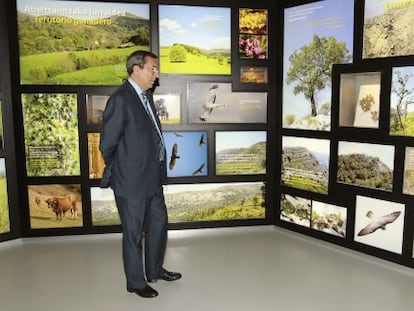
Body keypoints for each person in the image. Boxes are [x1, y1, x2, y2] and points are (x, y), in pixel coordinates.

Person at [99, 50, 181, 298]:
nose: (156, 74)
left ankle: (154, 270)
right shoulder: (121, 99)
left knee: (158, 225)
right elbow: (107, 145)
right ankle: (135, 282)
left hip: (153, 178)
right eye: (152, 69)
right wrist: (125, 167)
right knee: (133, 234)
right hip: (131, 181)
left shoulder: (144, 97)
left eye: (156, 69)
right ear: (136, 69)